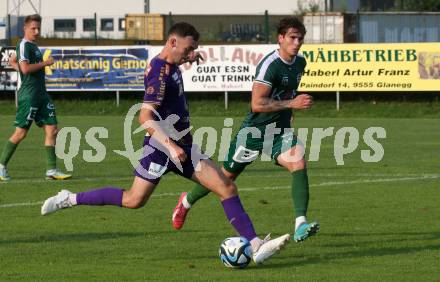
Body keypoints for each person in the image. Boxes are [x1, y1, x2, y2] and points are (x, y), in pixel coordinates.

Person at [41, 22, 290, 264]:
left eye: (193, 49)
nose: (190, 54)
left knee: (226, 187)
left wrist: (190, 57)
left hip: (184, 147)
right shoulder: (160, 74)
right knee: (134, 200)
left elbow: (179, 62)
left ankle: (256, 246)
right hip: (162, 149)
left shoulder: (172, 64)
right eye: (188, 48)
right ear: (172, 42)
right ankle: (69, 198)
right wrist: (170, 145)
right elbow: (145, 116)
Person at [172, 16, 319, 242]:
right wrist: (292, 104)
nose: (297, 42)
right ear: (280, 38)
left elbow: (287, 94)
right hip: (254, 133)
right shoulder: (270, 66)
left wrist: (289, 114)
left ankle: (300, 223)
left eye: (300, 38)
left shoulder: (300, 63)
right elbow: (257, 104)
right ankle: (185, 202)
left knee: (298, 162)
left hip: (279, 132)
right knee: (223, 179)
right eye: (292, 37)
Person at [0, 14, 71, 181]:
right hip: (29, 96)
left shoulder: (32, 46)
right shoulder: (24, 45)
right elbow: (26, 70)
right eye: (33, 28)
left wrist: (14, 64)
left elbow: (23, 67)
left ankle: (51, 170)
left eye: (38, 28)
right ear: (25, 28)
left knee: (52, 129)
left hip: (41, 95)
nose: (37, 31)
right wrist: (45, 63)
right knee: (20, 133)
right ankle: (2, 166)